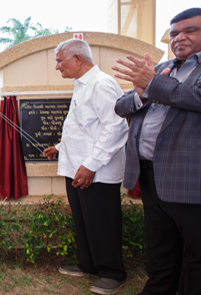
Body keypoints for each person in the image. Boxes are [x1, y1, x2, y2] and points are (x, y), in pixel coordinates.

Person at [112, 7, 201, 295]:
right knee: (160, 247)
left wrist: (151, 83)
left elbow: (193, 96)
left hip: (189, 178)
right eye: (174, 33)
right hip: (151, 175)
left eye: (191, 30)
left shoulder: (158, 76)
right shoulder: (164, 69)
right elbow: (121, 106)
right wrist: (140, 92)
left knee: (196, 252)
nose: (180, 38)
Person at [42, 39, 129, 295]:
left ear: (78, 59)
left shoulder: (101, 84)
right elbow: (82, 126)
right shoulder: (81, 85)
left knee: (102, 223)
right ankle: (88, 264)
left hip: (97, 172)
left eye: (60, 61)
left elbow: (115, 127)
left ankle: (112, 273)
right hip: (76, 168)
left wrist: (90, 166)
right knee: (84, 222)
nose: (58, 66)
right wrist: (59, 147)